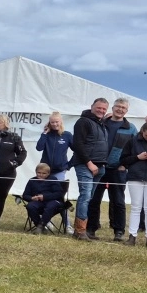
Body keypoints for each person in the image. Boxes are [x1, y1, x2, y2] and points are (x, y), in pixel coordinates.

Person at [87, 98, 136, 241]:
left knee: (119, 201)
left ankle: (119, 231)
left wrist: (125, 165)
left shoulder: (131, 128)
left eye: (124, 108)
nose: (120, 109)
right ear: (113, 108)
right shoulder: (101, 122)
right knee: (94, 199)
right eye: (118, 107)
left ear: (127, 111)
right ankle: (91, 228)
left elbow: (134, 149)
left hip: (118, 169)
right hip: (99, 167)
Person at [69, 98, 109, 240]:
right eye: (99, 108)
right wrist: (89, 163)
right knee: (85, 196)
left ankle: (79, 229)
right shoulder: (83, 122)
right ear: (92, 107)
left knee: (90, 197)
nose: (101, 111)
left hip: (99, 165)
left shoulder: (101, 124)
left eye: (104, 109)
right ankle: (80, 231)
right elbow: (78, 144)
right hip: (85, 164)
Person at [35, 111, 74, 233]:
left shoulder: (67, 135)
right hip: (45, 172)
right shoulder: (47, 135)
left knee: (59, 197)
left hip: (59, 171)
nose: (55, 124)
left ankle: (67, 224)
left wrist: (69, 165)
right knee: (45, 196)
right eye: (52, 122)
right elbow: (39, 147)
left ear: (61, 122)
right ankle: (47, 221)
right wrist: (44, 133)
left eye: (57, 122)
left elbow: (77, 151)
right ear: (49, 123)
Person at [21, 163, 65, 234]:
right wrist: (32, 198)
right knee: (30, 206)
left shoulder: (53, 179)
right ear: (36, 172)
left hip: (52, 201)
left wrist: (44, 197)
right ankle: (40, 226)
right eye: (39, 173)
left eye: (44, 173)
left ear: (48, 173)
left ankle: (40, 226)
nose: (41, 175)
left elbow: (59, 194)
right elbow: (25, 195)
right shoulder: (32, 180)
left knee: (51, 206)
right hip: (38, 202)